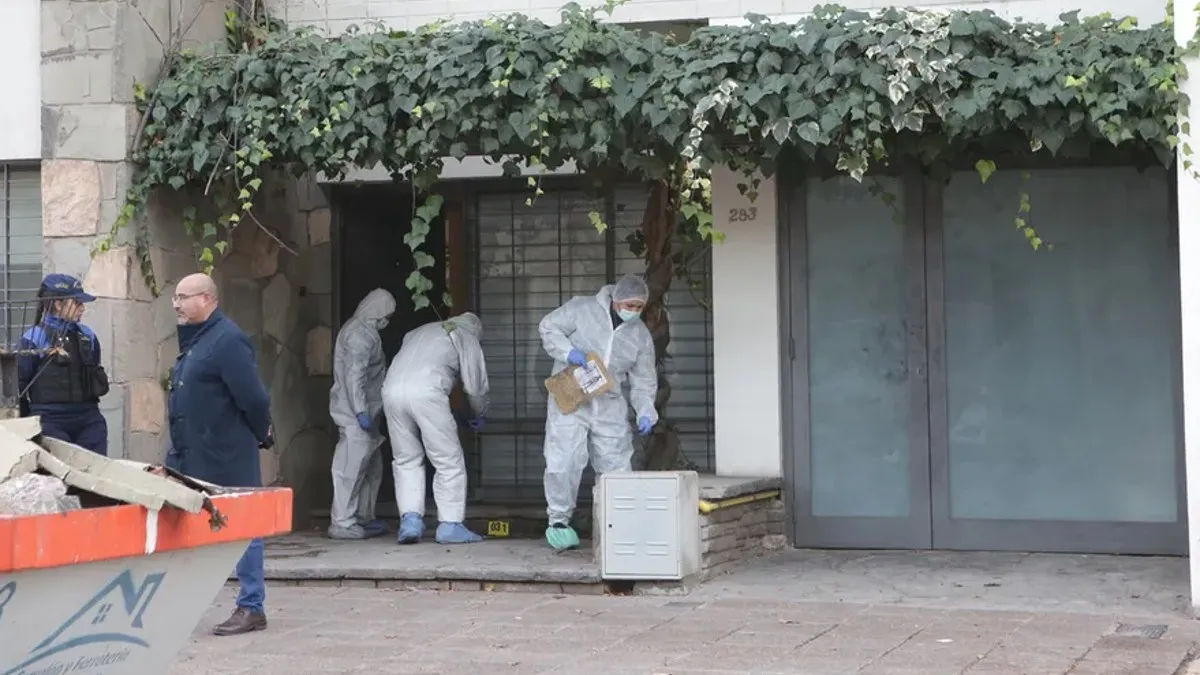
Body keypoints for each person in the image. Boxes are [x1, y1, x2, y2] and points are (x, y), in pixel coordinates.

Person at [164, 273, 273, 636]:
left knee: (244, 527)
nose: (176, 304)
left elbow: (254, 398)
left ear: (207, 299)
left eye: (184, 297)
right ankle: (178, 604)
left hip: (226, 453)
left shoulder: (228, 339)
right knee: (187, 527)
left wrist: (262, 432)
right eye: (175, 297)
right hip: (191, 452)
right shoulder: (198, 339)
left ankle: (252, 606)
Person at [538, 274, 658, 551]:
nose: (633, 311)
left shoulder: (640, 335)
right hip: (571, 398)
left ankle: (620, 523)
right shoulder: (582, 309)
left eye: (639, 307)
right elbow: (548, 326)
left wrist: (645, 410)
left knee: (616, 463)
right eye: (629, 305)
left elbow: (644, 379)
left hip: (609, 403)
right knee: (563, 459)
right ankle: (558, 521)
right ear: (615, 300)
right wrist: (568, 352)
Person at [382, 312, 489, 545]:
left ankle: (410, 521)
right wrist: (479, 413)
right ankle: (450, 524)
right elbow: (475, 385)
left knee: (406, 458)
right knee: (447, 459)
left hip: (391, 391)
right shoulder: (465, 334)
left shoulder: (420, 331)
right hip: (427, 392)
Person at [327, 288, 396, 540]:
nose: (386, 321)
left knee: (371, 467)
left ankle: (362, 516)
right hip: (355, 414)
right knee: (351, 467)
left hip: (367, 412)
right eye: (385, 316)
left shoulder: (364, 331)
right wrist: (360, 411)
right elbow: (354, 376)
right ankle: (343, 522)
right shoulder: (359, 335)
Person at [18, 274, 110, 454]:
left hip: (87, 418)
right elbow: (19, 386)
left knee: (96, 467)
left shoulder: (88, 336)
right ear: (58, 305)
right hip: (49, 419)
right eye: (77, 302)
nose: (82, 308)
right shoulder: (34, 339)